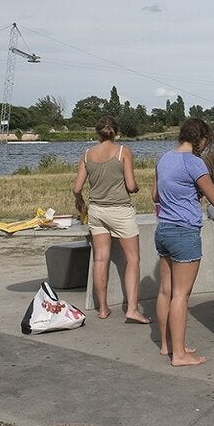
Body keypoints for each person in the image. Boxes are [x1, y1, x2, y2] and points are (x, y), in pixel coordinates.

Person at [154, 118, 214, 367]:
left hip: (163, 229)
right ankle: (180, 355)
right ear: (200, 139)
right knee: (181, 295)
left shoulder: (164, 158)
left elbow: (155, 195)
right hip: (184, 233)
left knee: (165, 291)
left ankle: (167, 345)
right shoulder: (194, 163)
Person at [72, 115, 151, 324]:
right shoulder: (124, 152)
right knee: (133, 260)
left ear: (97, 132)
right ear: (116, 132)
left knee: (100, 259)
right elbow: (131, 185)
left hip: (97, 211)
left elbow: (77, 188)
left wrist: (79, 201)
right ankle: (132, 309)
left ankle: (103, 308)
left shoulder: (87, 154)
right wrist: (136, 188)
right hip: (120, 211)